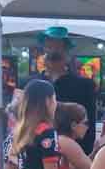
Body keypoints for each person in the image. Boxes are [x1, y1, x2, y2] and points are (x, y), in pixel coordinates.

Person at [37, 27, 97, 155]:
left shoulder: (84, 85)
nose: (53, 51)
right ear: (44, 51)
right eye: (49, 47)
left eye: (58, 48)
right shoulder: (29, 84)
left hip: (71, 156)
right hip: (37, 154)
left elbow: (89, 124)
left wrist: (82, 154)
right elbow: (16, 122)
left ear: (66, 53)